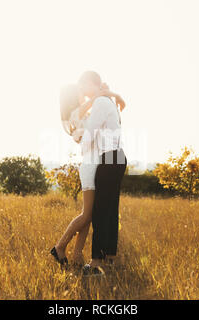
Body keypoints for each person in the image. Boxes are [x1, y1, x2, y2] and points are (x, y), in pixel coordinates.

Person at [50, 81, 125, 268]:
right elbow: (87, 127)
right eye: (78, 91)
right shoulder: (76, 114)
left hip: (96, 163)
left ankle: (76, 256)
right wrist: (108, 93)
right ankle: (60, 247)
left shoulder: (85, 110)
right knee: (87, 214)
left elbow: (102, 115)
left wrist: (111, 95)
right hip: (91, 166)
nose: (82, 93)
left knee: (90, 214)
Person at [77, 71, 127, 277]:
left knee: (99, 210)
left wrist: (81, 144)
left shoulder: (100, 103)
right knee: (110, 209)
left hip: (109, 158)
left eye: (83, 86)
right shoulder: (109, 102)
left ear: (91, 83)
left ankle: (96, 262)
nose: (82, 91)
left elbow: (91, 131)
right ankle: (110, 257)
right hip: (119, 157)